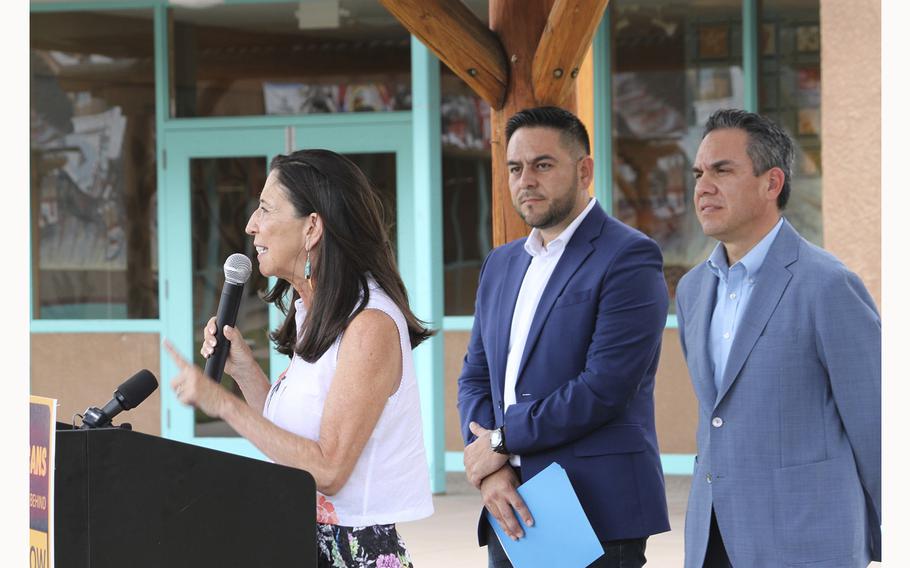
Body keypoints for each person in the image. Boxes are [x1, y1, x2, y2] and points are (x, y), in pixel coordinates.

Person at [164, 149, 434, 568]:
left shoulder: (369, 325)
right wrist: (244, 373)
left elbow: (328, 469)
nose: (251, 224)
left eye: (265, 208)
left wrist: (221, 405)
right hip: (300, 538)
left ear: (312, 227)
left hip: (351, 553)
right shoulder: (314, 311)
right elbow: (293, 440)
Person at [457, 106, 671, 568]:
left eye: (543, 165)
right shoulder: (501, 263)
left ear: (585, 170)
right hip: (508, 503)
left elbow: (605, 387)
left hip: (595, 507)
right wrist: (490, 470)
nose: (525, 180)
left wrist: (501, 441)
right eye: (515, 168)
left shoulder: (629, 257)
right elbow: (476, 378)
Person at [676, 109, 881, 567]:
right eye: (699, 173)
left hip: (807, 542)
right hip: (712, 540)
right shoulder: (691, 291)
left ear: (772, 183)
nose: (703, 186)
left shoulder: (828, 285)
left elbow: (879, 426)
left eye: (722, 170)